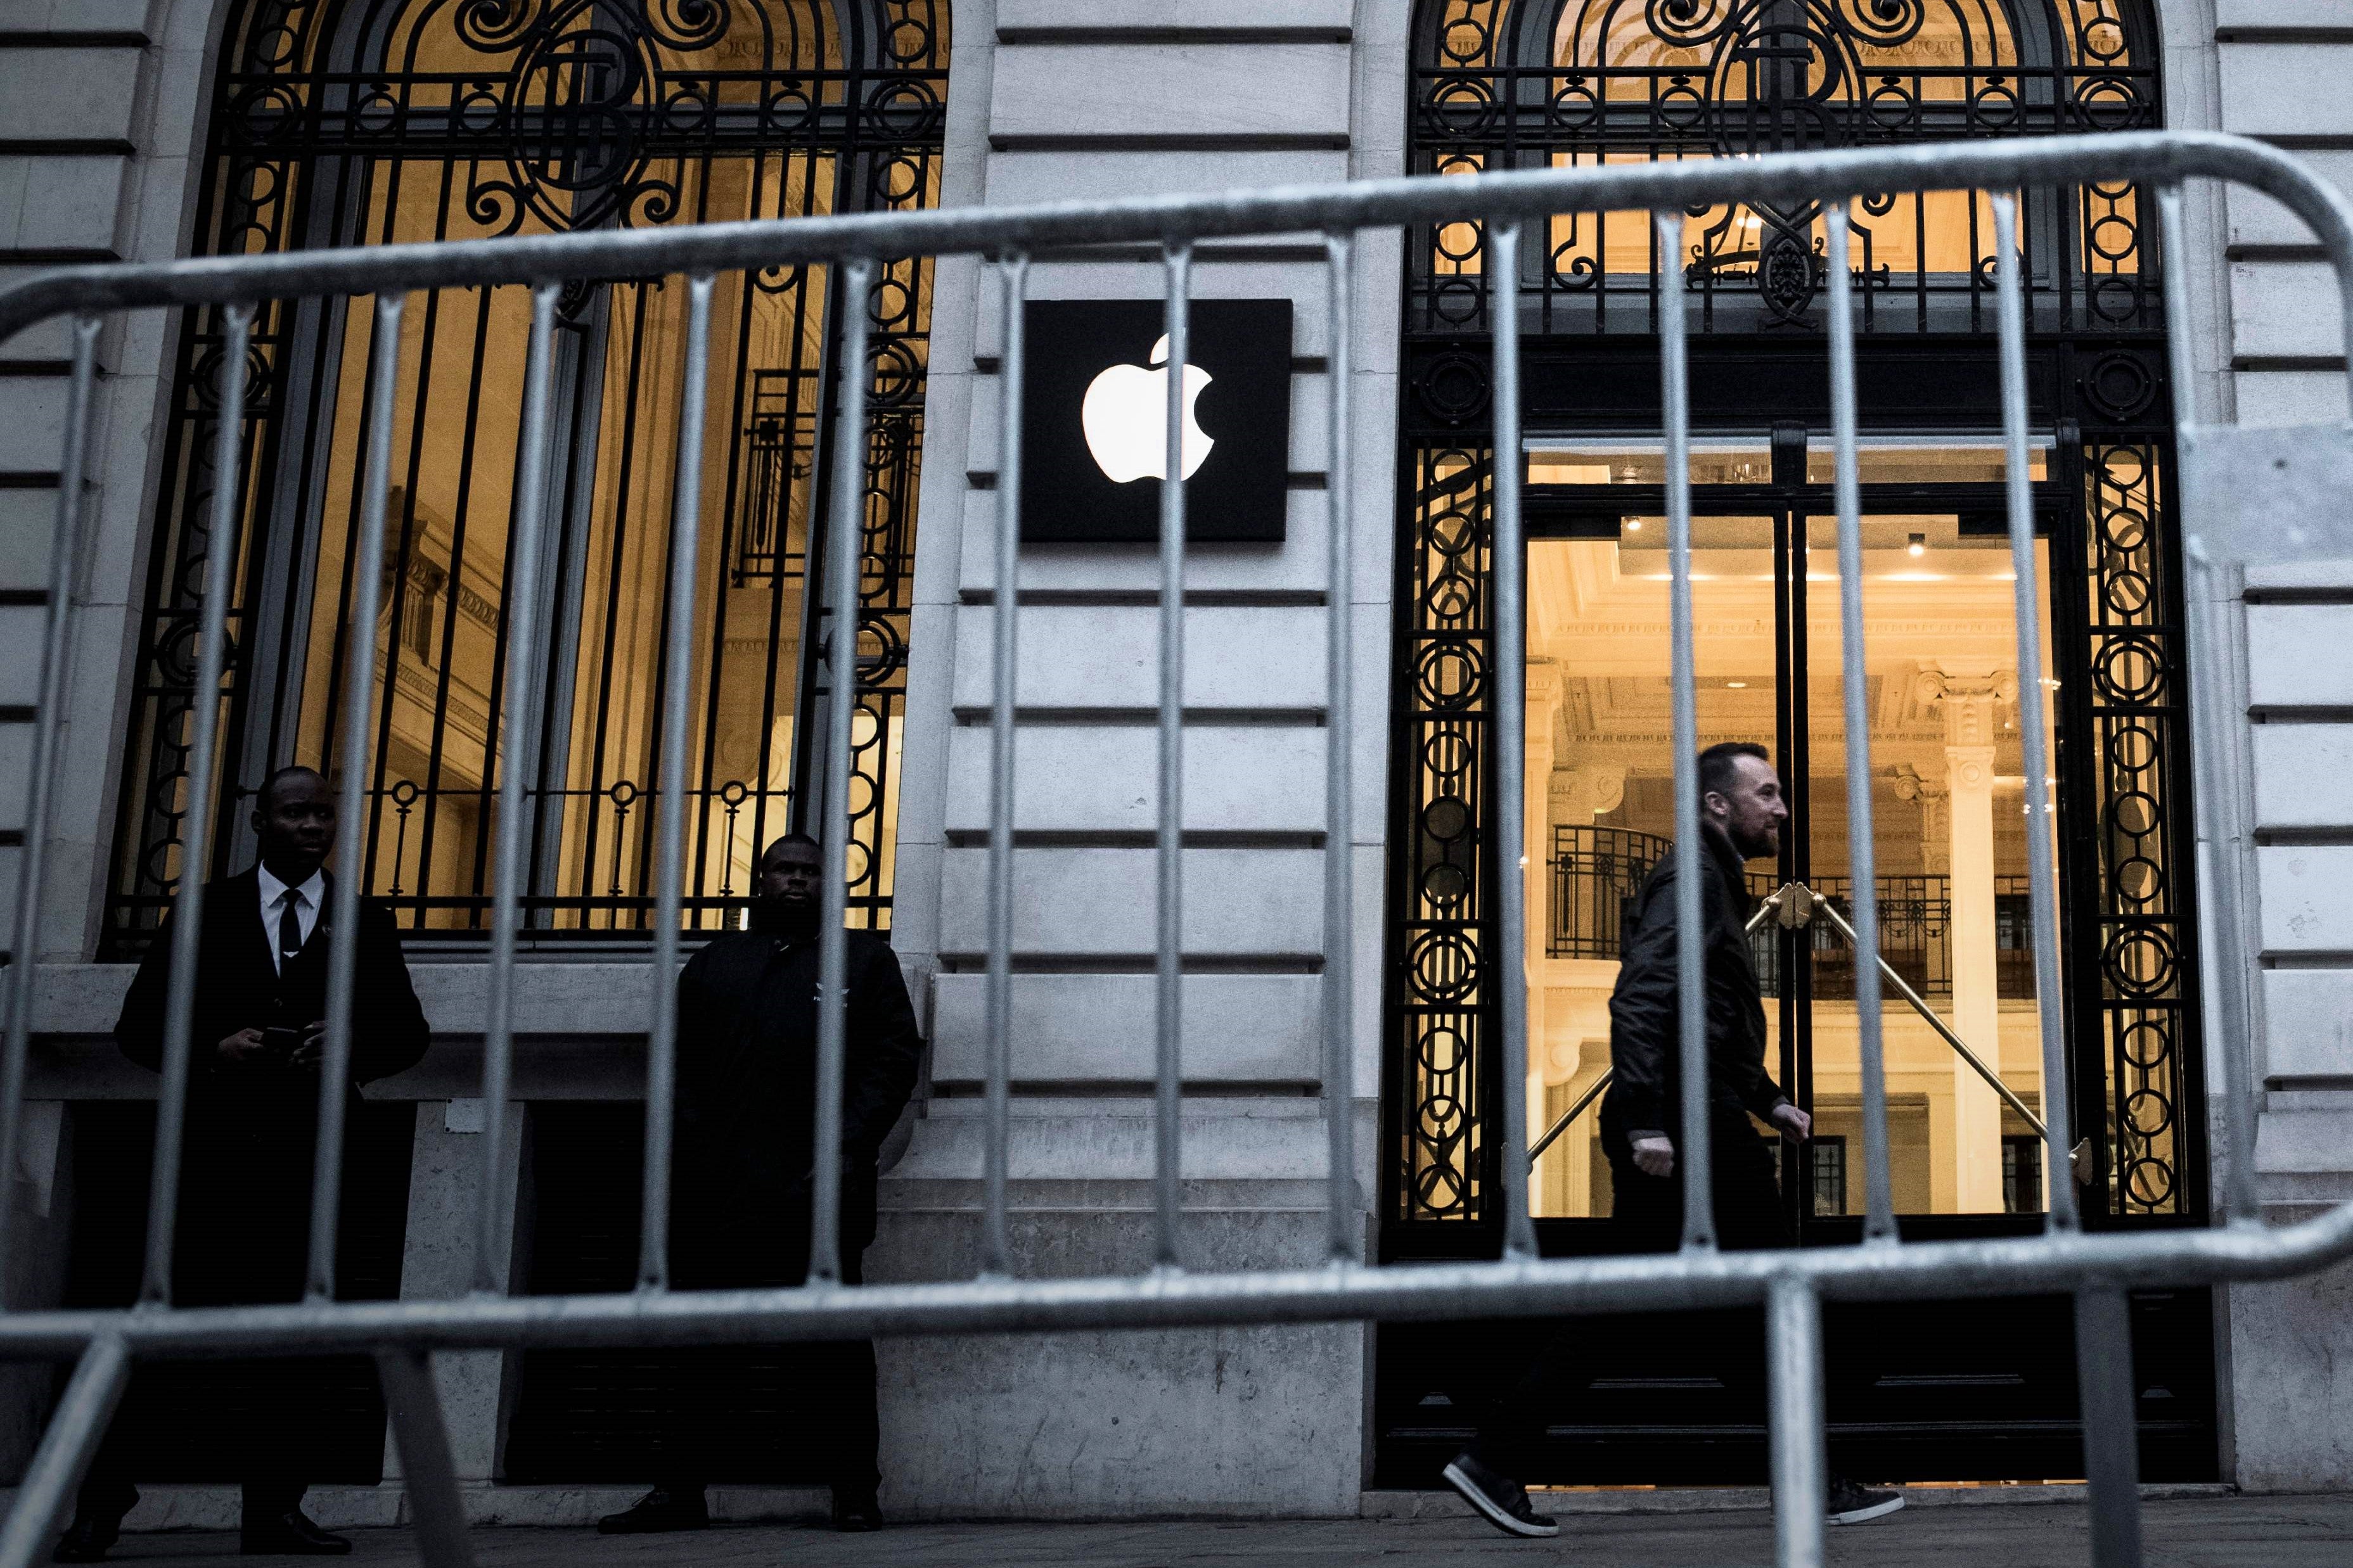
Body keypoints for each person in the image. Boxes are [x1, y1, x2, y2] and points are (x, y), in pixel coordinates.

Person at [1442, 742, 1906, 1538]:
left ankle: (1497, 1455)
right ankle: (1809, 1483)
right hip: (1684, 1126)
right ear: (1717, 804)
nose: (1782, 809)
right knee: (1760, 1293)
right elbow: (1644, 996)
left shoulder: (1710, 880)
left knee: (1686, 1306)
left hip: (1697, 1113)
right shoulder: (1691, 879)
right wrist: (1648, 1115)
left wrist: (1768, 1100)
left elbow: (1704, 1015)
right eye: (1766, 793)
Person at [56, 766, 430, 1561]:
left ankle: (273, 1508)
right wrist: (214, 1049)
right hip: (207, 1157)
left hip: (313, 1159)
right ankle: (100, 1505)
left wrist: (353, 1046)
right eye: (295, 814)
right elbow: (138, 1030)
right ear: (261, 823)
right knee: (154, 1330)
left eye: (324, 816)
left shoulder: (365, 920)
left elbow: (409, 1033)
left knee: (294, 1339)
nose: (312, 828)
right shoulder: (202, 912)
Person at [596, 832, 923, 1538]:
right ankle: (679, 1491)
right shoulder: (717, 962)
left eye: (810, 872)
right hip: (722, 1190)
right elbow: (678, 1063)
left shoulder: (864, 960)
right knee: (699, 1344)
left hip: (822, 1188)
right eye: (785, 871)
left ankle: (854, 1492)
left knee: (833, 1348)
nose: (798, 882)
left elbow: (893, 1061)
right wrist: (698, 1153)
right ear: (761, 879)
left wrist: (843, 1146)